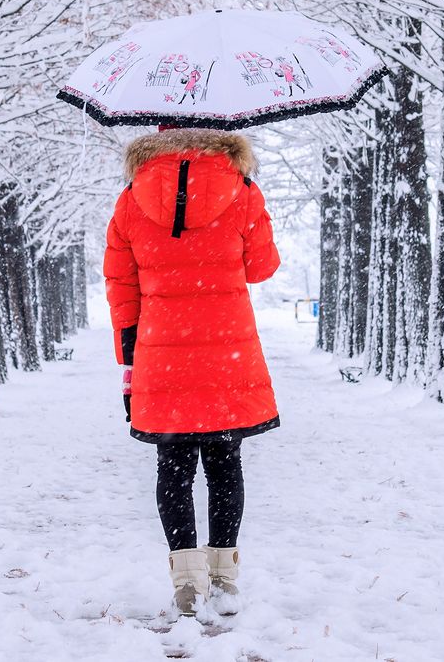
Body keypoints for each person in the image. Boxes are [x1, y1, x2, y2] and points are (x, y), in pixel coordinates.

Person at [103, 126, 281, 617]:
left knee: (174, 466)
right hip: (228, 351)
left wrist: (129, 361)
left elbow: (122, 286)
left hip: (163, 352)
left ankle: (186, 581)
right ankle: (224, 575)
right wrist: (250, 199)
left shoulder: (132, 198)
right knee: (225, 464)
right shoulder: (241, 190)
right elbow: (262, 266)